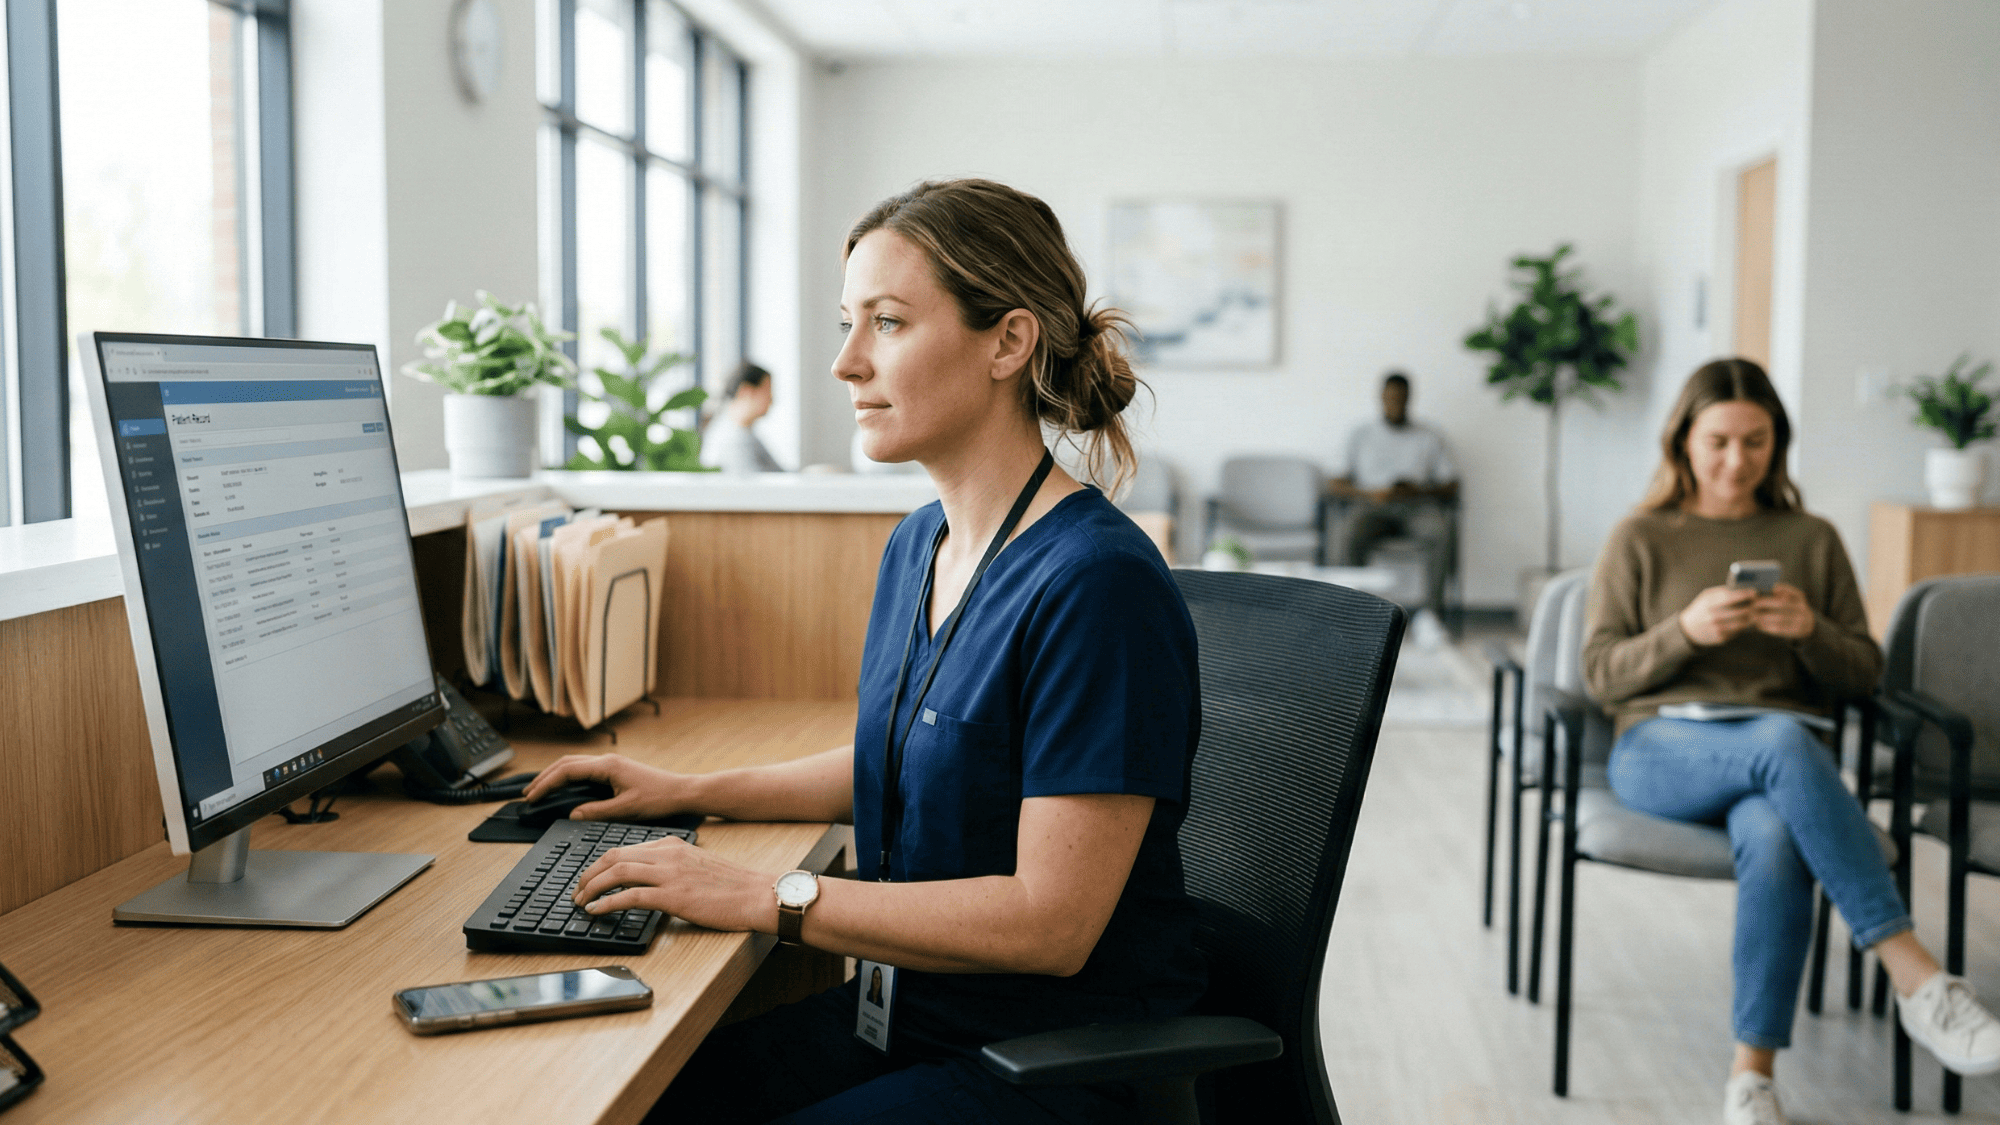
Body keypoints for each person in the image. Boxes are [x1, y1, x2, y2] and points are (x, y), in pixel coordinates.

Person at [524, 178, 1204, 1125]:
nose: (845, 363)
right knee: (631, 1097)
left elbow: (1052, 921)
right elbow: (908, 760)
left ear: (1008, 341)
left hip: (1049, 1061)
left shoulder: (1099, 584)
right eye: (848, 322)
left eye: (886, 323)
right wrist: (686, 790)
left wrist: (767, 892)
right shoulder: (920, 543)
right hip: (914, 1012)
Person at [1583, 357, 2000, 1125]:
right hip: (1662, 748)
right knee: (1777, 739)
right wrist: (1684, 631)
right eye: (1717, 441)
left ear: (1778, 443)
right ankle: (1919, 979)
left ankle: (1752, 1078)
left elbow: (1864, 671)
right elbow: (1602, 673)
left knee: (1776, 834)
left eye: (1755, 440)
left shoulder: (1811, 537)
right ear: (1682, 440)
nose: (1736, 460)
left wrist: (1811, 632)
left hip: (1787, 760)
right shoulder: (1640, 536)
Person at [1328, 371, 1457, 613]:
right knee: (1347, 532)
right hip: (1371, 506)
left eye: (1401, 397)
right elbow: (1334, 483)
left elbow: (1451, 485)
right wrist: (1370, 493)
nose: (1396, 403)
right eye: (1391, 397)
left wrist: (1418, 490)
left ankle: (1431, 614)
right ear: (1381, 397)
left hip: (1417, 507)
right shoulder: (1360, 434)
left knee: (1440, 532)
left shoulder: (1428, 436)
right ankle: (1352, 611)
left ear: (1410, 398)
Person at [701, 360, 783, 473]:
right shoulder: (733, 440)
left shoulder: (742, 433)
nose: (771, 400)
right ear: (747, 391)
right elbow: (758, 487)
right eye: (767, 391)